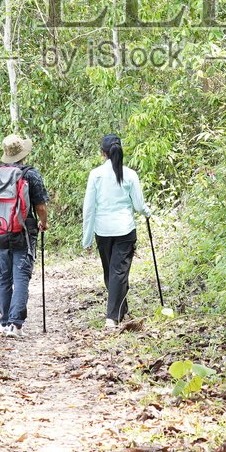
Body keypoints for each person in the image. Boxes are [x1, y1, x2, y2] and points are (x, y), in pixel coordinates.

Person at [0, 133, 49, 336]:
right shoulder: (31, 175)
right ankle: (16, 324)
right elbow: (41, 207)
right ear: (23, 154)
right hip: (23, 233)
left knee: (3, 278)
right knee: (21, 277)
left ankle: (3, 322)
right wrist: (43, 223)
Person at [80, 133, 150, 329]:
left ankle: (112, 316)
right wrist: (147, 212)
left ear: (103, 153)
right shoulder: (130, 174)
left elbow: (89, 208)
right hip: (125, 229)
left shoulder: (96, 175)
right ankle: (118, 311)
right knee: (116, 273)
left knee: (112, 272)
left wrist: (87, 239)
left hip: (103, 231)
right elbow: (138, 205)